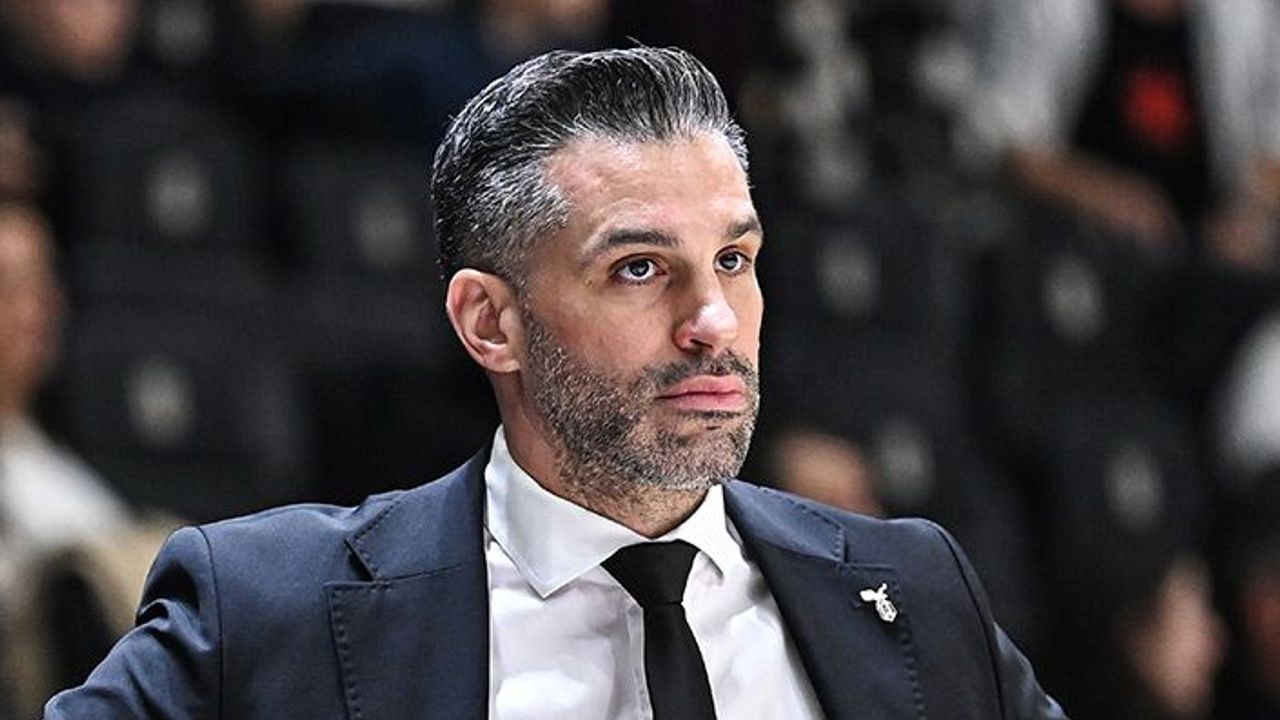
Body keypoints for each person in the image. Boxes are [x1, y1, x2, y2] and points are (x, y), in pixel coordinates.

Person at [44, 47, 1066, 718]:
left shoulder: (915, 588)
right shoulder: (265, 612)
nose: (713, 321)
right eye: (639, 269)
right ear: (490, 323)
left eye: (732, 260)